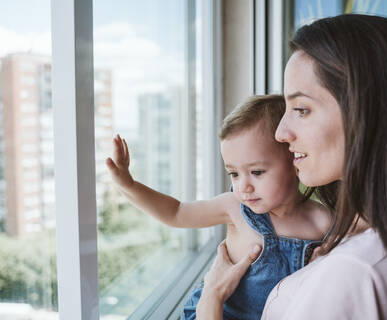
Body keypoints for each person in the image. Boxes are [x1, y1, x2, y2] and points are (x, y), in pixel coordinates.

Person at [196, 14, 387, 319]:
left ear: (369, 116)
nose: (281, 133)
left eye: (301, 110)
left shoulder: (350, 274)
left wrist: (211, 298)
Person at [105, 95, 332, 320]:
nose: (244, 186)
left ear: (295, 160)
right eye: (233, 173)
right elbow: (176, 213)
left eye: (257, 172)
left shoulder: (324, 222)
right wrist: (129, 185)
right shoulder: (234, 208)